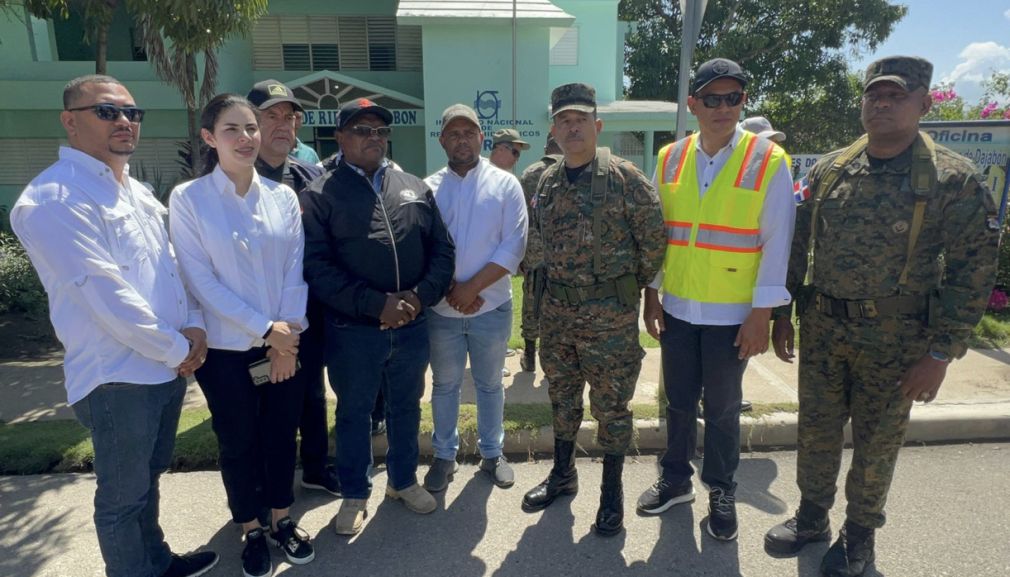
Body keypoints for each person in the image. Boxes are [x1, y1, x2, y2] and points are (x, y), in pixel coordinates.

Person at [764, 56, 1000, 576]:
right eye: (875, 95)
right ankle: (811, 517)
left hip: (897, 341)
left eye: (897, 96)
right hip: (824, 330)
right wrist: (783, 312)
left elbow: (973, 272)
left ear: (923, 103)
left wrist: (941, 353)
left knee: (876, 442)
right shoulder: (830, 168)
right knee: (817, 431)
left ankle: (860, 536)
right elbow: (796, 241)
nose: (883, 104)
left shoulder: (951, 180)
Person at [10, 74, 218, 577]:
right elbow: (105, 295)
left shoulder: (137, 191)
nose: (124, 121)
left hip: (165, 366)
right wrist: (177, 349)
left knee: (147, 479)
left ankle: (156, 561)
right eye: (107, 112)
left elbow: (171, 264)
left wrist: (192, 326)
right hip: (117, 376)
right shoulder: (55, 198)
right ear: (70, 121)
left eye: (132, 113)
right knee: (122, 498)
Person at [636, 58, 795, 543]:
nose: (723, 107)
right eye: (712, 98)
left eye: (734, 98)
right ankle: (676, 479)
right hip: (679, 307)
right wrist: (651, 294)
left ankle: (722, 490)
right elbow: (659, 235)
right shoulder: (670, 157)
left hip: (733, 316)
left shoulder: (769, 161)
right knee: (678, 403)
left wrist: (761, 315)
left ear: (742, 103)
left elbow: (777, 242)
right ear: (693, 104)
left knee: (724, 410)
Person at [170, 93, 315, 577]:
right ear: (210, 138)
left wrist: (286, 339)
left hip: (286, 346)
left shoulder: (282, 197)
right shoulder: (189, 200)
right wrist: (264, 330)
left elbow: (296, 271)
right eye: (233, 129)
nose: (247, 137)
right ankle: (250, 527)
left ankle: (281, 518)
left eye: (251, 127)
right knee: (238, 441)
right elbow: (200, 282)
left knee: (280, 436)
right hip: (227, 354)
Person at [301, 97, 455, 536]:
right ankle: (354, 492)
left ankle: (403, 481)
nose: (374, 138)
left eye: (380, 131)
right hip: (354, 332)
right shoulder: (319, 194)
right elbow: (316, 268)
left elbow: (442, 251)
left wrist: (418, 299)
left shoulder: (413, 185)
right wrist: (376, 304)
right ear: (340, 138)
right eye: (362, 130)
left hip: (411, 326)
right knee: (354, 413)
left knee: (407, 407)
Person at [520, 83, 666, 537]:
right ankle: (563, 475)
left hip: (609, 321)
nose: (572, 126)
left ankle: (611, 493)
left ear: (597, 126)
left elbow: (654, 242)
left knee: (611, 407)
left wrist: (624, 291)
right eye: (564, 120)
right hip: (558, 316)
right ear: (554, 130)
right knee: (562, 399)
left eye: (580, 118)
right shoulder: (547, 181)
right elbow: (538, 246)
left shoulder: (626, 178)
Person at [422, 104, 528, 492]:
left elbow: (513, 246)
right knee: (445, 385)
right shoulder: (428, 188)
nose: (461, 139)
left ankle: (491, 454)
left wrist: (471, 289)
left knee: (488, 385)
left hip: (492, 306)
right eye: (453, 133)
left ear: (482, 138)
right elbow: (424, 248)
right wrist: (452, 291)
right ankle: (444, 456)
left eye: (469, 132)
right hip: (441, 310)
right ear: (442, 140)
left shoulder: (505, 185)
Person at [245, 79, 340, 497]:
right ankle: (267, 483)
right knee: (265, 397)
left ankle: (316, 468)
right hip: (258, 315)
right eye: (271, 116)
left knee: (312, 392)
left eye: (289, 116)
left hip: (310, 308)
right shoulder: (233, 179)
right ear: (250, 123)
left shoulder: (309, 174)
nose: (283, 125)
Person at [517, 136, 563, 372]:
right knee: (560, 304)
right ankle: (553, 359)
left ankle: (529, 354)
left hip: (534, 252)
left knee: (531, 302)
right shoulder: (572, 171)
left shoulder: (529, 174)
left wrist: (521, 256)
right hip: (565, 257)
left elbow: (521, 218)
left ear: (546, 148)